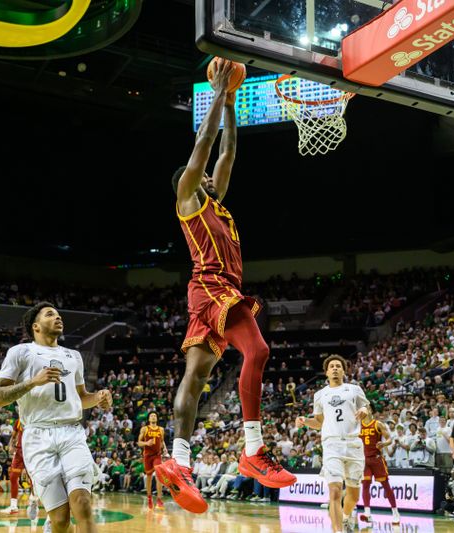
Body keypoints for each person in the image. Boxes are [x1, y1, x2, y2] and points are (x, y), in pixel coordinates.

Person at [155, 58, 295, 515]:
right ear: (190, 184)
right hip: (214, 288)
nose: (212, 174)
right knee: (257, 352)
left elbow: (228, 150)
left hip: (211, 295)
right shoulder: (189, 200)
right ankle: (253, 450)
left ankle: (178, 462)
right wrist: (216, 92)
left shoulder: (219, 204)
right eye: (203, 174)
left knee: (195, 378)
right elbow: (205, 145)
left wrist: (233, 102)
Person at [0, 303, 112, 533]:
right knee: (60, 519)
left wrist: (98, 397)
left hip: (71, 432)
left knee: (83, 503)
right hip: (37, 435)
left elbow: (80, 397)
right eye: (50, 315)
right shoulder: (20, 352)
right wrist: (32, 382)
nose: (58, 318)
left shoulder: (73, 355)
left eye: (58, 315)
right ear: (36, 326)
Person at [296, 355, 369, 533]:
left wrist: (365, 410)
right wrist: (305, 420)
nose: (335, 368)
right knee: (335, 491)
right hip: (331, 445)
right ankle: (337, 531)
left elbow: (369, 412)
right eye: (332, 366)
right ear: (327, 372)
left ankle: (345, 517)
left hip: (353, 445)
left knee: (353, 495)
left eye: (338, 366)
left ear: (344, 371)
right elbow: (319, 422)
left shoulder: (354, 389)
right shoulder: (320, 395)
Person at [357, 403, 400, 525]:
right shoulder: (358, 426)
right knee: (365, 484)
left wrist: (384, 444)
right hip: (364, 460)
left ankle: (395, 512)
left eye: (368, 408)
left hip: (376, 459)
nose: (366, 410)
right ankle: (367, 513)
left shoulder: (378, 424)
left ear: (371, 411)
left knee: (385, 486)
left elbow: (389, 438)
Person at [0, 418, 40, 521]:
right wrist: (10, 445)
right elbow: (14, 435)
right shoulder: (18, 421)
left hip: (31, 451)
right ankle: (13, 506)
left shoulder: (36, 418)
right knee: (13, 477)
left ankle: (34, 501)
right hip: (19, 452)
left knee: (32, 478)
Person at [137, 412, 168, 509]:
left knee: (159, 474)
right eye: (151, 416)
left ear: (157, 418)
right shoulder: (145, 429)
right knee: (149, 477)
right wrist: (146, 443)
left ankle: (159, 499)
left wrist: (165, 448)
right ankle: (149, 498)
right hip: (147, 456)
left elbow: (162, 441)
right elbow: (139, 443)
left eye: (155, 415)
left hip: (157, 455)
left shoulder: (161, 429)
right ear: (149, 419)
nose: (153, 416)